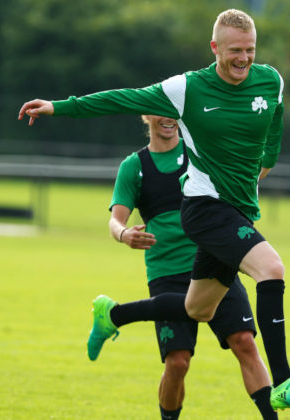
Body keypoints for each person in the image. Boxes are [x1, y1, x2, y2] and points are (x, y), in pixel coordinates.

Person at [18, 8, 290, 411]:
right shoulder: (187, 89)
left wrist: (265, 164)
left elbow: (275, 122)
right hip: (205, 208)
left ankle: (113, 316)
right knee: (272, 269)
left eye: (250, 50)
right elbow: (122, 98)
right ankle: (284, 382)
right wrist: (59, 106)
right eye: (235, 50)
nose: (244, 58)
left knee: (197, 308)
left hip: (238, 210)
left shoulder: (271, 81)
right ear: (215, 47)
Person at [109, 114, 276, 419]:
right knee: (177, 362)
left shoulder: (199, 153)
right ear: (147, 116)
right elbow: (115, 221)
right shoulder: (134, 166)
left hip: (214, 262)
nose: (168, 119)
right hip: (167, 273)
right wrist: (123, 234)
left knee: (244, 342)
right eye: (160, 112)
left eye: (172, 111)